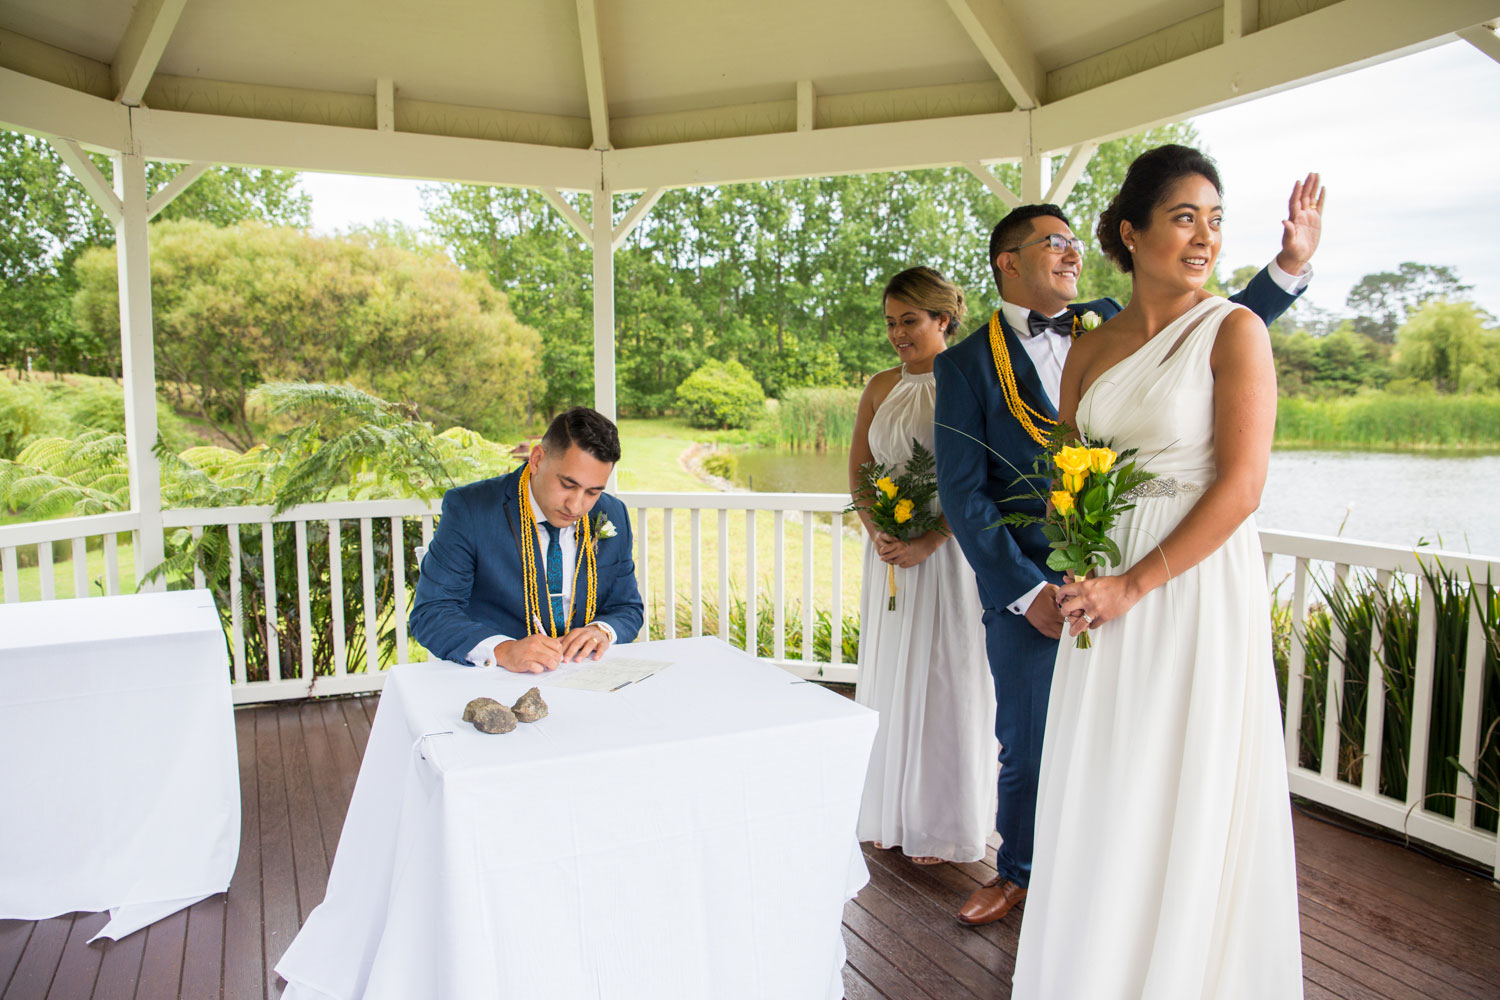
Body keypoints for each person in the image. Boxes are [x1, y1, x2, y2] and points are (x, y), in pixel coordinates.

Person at [933, 173, 1324, 926]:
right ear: (1007, 261)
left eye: (1077, 241)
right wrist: (1027, 589)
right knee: (1030, 741)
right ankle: (1017, 872)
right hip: (1030, 583)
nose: (1072, 253)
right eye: (1054, 242)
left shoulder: (1117, 321)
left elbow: (1220, 323)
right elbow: (963, 491)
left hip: (1145, 575)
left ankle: (1134, 903)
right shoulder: (964, 364)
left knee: (1137, 749)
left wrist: (1289, 270)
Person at [1011, 144, 1305, 996]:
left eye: (1215, 220)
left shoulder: (1236, 330)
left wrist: (1134, 583)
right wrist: (1074, 566)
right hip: (1097, 591)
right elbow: (1069, 469)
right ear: (1131, 234)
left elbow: (1244, 486)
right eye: (1185, 217)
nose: (1205, 236)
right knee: (1105, 776)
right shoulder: (1091, 348)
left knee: (1178, 773)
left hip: (1188, 589)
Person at [850, 267, 996, 865]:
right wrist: (878, 529)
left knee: (946, 676)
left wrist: (929, 539)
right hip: (889, 553)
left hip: (949, 556)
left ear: (943, 319)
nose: (897, 333)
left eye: (909, 320)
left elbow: (981, 477)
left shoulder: (967, 380)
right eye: (890, 322)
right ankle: (893, 809)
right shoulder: (881, 385)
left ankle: (940, 821)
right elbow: (860, 467)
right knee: (891, 672)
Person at [410, 406, 644, 671]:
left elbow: (627, 607)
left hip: (583, 675)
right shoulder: (470, 509)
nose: (576, 506)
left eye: (592, 492)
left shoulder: (611, 513)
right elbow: (432, 613)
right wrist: (503, 650)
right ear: (536, 459)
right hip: (497, 681)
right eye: (567, 485)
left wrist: (602, 630)